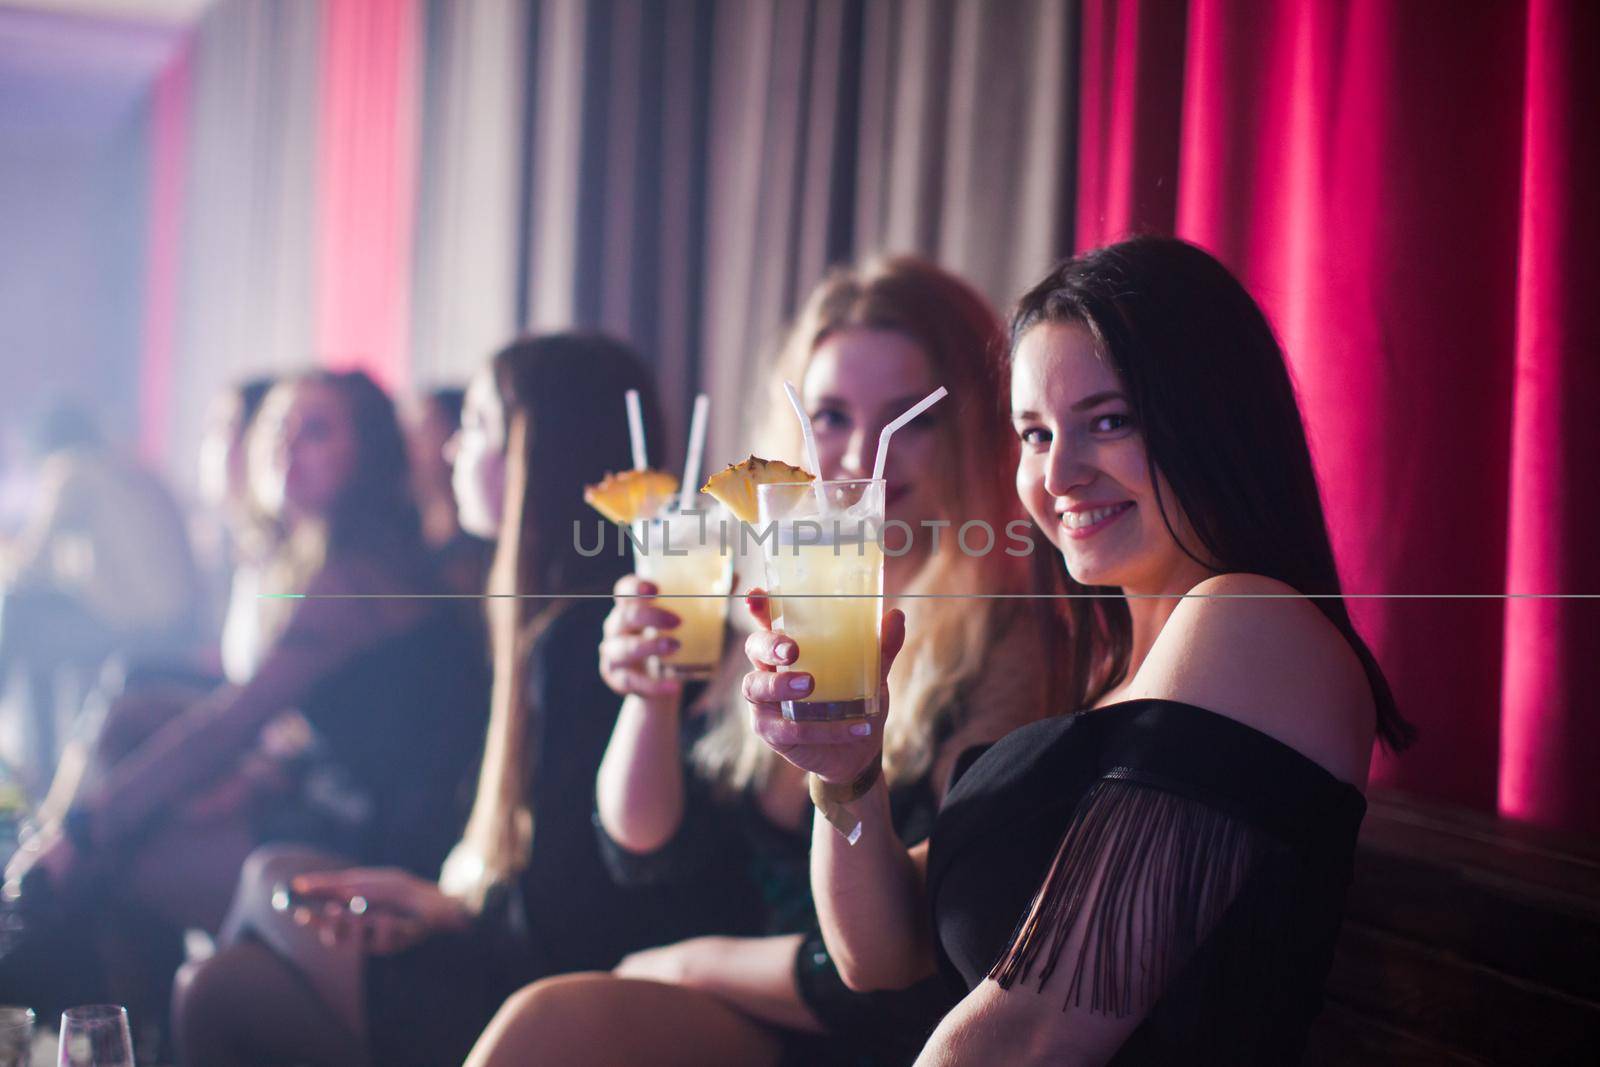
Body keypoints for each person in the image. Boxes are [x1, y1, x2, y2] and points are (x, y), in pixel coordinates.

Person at [740, 236, 1416, 1065]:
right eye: (1034, 433)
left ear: (1211, 421)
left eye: (1108, 420)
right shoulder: (1111, 678)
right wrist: (845, 770)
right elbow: (876, 953)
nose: (1059, 473)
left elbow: (1032, 1034)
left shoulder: (1252, 622)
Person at [465, 259, 1065, 1067]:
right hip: (727, 1013)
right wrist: (650, 698)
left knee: (549, 1025)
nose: (861, 453)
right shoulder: (754, 600)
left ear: (972, 428)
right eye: (829, 414)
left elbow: (924, 948)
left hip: (868, 1035)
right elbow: (644, 851)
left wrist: (691, 963)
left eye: (908, 418)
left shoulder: (1011, 643)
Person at [172, 335, 716, 1067]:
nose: (455, 446)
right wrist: (437, 898)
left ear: (536, 454)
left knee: (234, 959)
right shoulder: (535, 612)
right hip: (495, 934)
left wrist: (448, 910)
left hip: (531, 987)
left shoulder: (588, 632)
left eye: (482, 425)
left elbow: (575, 913)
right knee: (237, 944)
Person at [1, 371, 488, 1032]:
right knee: (134, 730)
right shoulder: (326, 556)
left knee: (114, 862)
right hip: (331, 801)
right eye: (281, 428)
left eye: (317, 431)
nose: (289, 447)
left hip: (381, 844)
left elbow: (231, 723)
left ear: (369, 454)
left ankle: (95, 1021)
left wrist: (81, 831)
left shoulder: (359, 573)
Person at [0, 402, 201, 788]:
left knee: (20, 615)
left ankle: (38, 777)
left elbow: (29, 567)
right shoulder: (131, 465)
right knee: (31, 627)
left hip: (136, 626)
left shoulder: (71, 470)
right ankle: (42, 776)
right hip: (179, 620)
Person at [401, 386, 491, 596]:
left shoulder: (481, 544)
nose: (407, 442)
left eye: (423, 428)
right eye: (406, 428)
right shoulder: (398, 537)